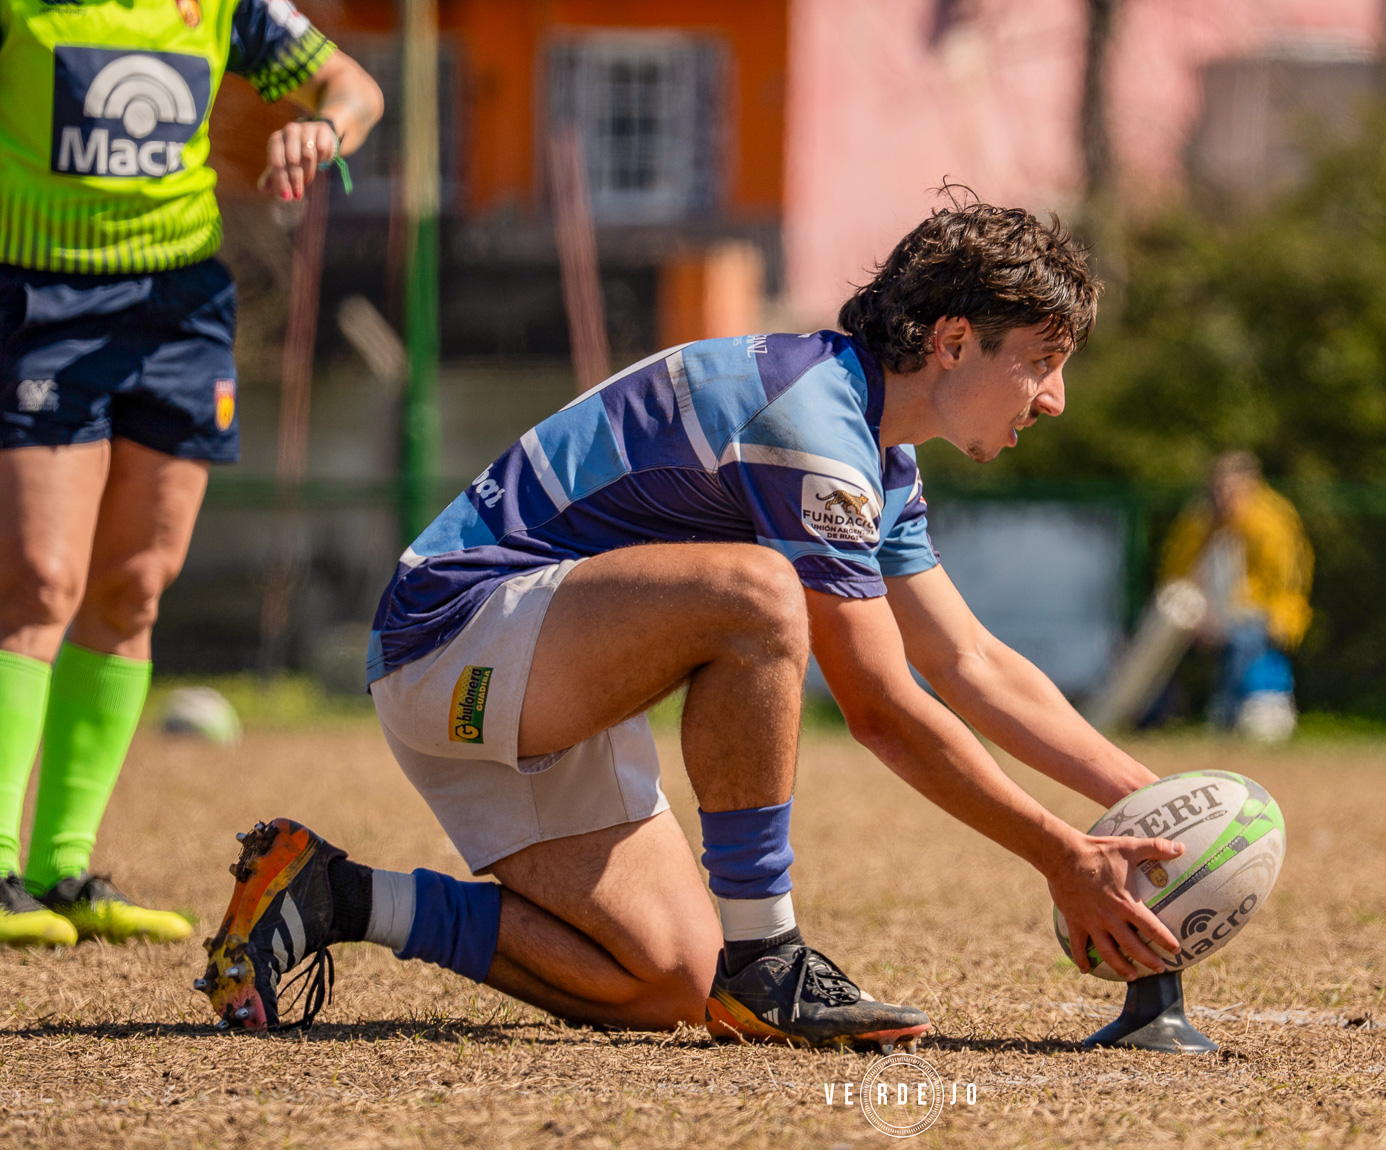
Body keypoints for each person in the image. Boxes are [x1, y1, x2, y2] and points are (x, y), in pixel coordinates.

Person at [198, 199, 1189, 1048]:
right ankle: (768, 956)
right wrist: (1062, 854)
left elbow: (969, 661)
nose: (1055, 399)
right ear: (954, 341)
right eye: (1042, 362)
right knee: (760, 594)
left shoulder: (878, 458)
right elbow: (882, 706)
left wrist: (1162, 806)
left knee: (665, 982)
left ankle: (337, 894)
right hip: (454, 644)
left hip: (547, 671)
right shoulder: (810, 421)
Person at [0, 0, 382, 946]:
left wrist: (323, 130)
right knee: (40, 579)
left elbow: (353, 87)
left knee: (134, 587)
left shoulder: (220, 5)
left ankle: (64, 871)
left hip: (179, 310)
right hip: (40, 297)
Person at [1158, 451, 1313, 742]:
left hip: (1264, 614)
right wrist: (1198, 615)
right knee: (1158, 639)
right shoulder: (1199, 521)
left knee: (1242, 639)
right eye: (1218, 489)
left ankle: (1226, 718)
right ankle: (1159, 716)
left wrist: (1230, 617)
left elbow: (1285, 585)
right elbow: (1177, 572)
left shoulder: (1271, 521)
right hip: (1207, 614)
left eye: (1231, 490)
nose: (1224, 497)